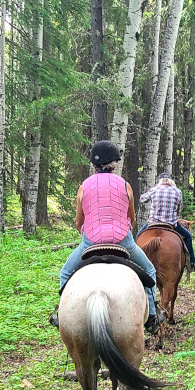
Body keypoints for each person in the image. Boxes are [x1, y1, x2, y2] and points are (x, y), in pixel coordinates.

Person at [50, 140, 165, 334]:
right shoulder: (125, 185)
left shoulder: (83, 187)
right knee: (150, 271)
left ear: (93, 164)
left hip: (91, 242)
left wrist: (87, 233)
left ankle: (62, 315)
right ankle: (151, 318)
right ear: (114, 163)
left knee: (65, 273)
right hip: (123, 241)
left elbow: (79, 221)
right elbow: (132, 218)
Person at [137, 173, 195, 271]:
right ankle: (191, 262)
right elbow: (179, 208)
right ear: (171, 181)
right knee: (187, 236)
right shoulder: (177, 191)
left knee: (138, 236)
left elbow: (142, 199)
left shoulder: (154, 190)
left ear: (160, 181)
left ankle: (134, 262)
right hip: (171, 223)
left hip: (153, 223)